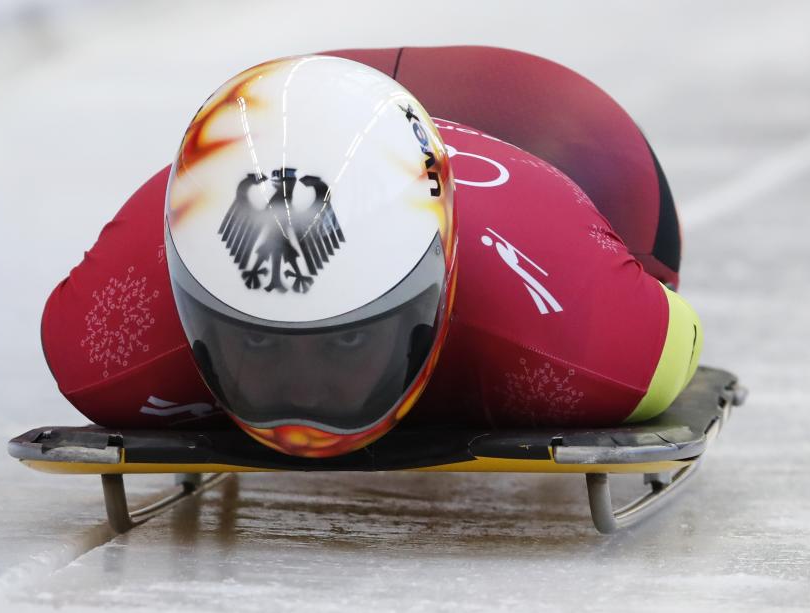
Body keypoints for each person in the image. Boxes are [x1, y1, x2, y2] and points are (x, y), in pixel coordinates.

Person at [40, 47, 702, 459]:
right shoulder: (102, 338)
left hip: (557, 133)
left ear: (440, 286)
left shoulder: (588, 332)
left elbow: (679, 338)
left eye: (349, 341)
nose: (305, 393)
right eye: (260, 343)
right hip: (307, 109)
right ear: (187, 300)